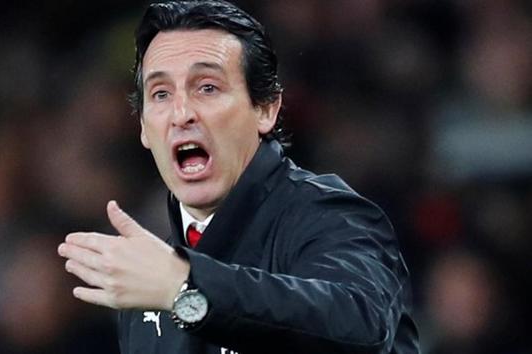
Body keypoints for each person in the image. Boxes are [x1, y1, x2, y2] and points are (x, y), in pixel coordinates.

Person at [57, 0, 420, 353]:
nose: (181, 113)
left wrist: (183, 287)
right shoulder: (147, 284)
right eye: (161, 93)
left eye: (207, 88)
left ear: (266, 109)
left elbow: (362, 326)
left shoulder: (330, 218)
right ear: (142, 127)